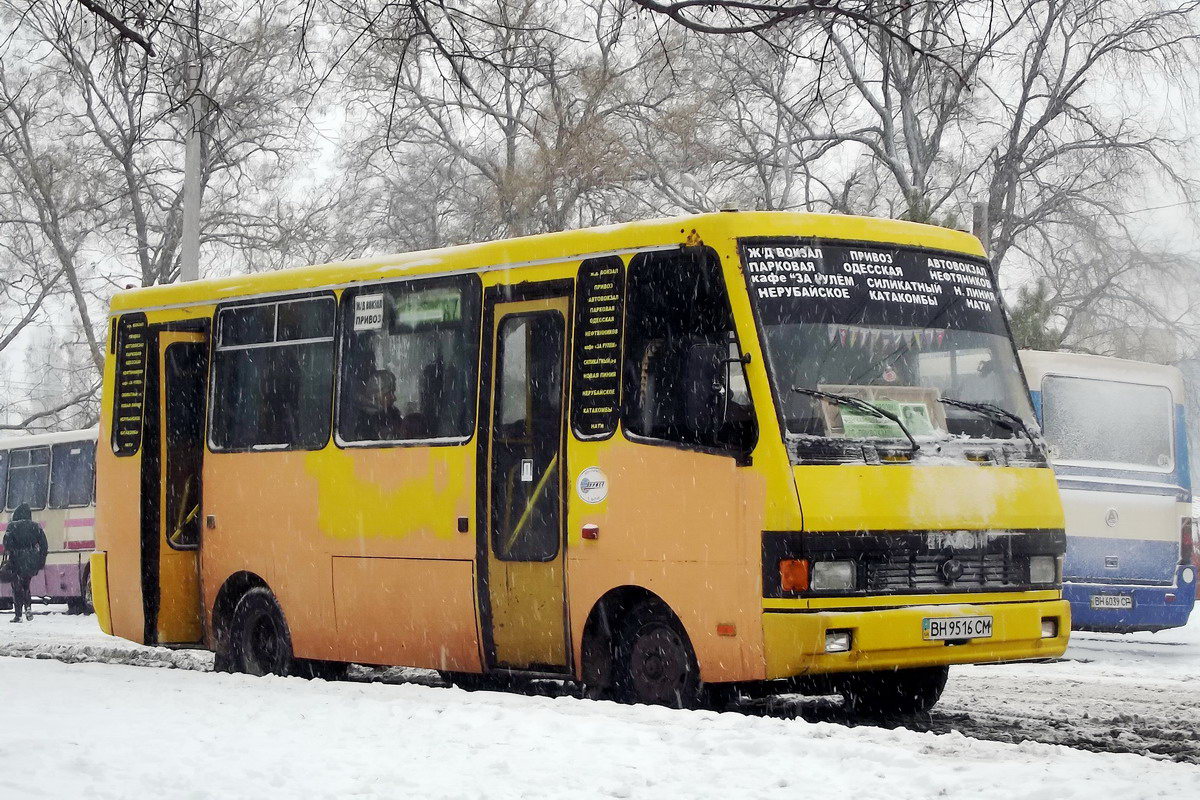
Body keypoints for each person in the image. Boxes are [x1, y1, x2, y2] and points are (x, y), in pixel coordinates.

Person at [2, 504, 48, 623]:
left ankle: (18, 615)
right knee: (26, 585)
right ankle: (28, 607)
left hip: (17, 560)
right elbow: (44, 544)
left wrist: (14, 549)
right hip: (32, 560)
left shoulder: (13, 526)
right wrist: (40, 560)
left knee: (16, 587)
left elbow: (7, 544)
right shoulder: (35, 526)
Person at [354, 369, 405, 440]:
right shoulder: (364, 421)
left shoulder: (393, 414)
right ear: (376, 394)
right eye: (389, 392)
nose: (394, 398)